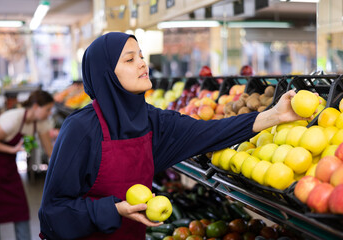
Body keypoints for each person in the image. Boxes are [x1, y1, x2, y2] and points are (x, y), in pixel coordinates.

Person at [38, 32, 309, 240]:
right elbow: (52, 213)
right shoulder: (81, 129)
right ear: (106, 74)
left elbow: (210, 132)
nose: (143, 64)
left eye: (141, 56)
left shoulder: (153, 121)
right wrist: (115, 210)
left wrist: (276, 115)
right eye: (130, 60)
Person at [0, 90, 55, 240]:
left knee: (20, 209)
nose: (49, 113)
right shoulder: (13, 118)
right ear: (35, 107)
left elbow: (50, 151)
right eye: (47, 109)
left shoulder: (39, 122)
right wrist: (13, 149)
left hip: (8, 167)